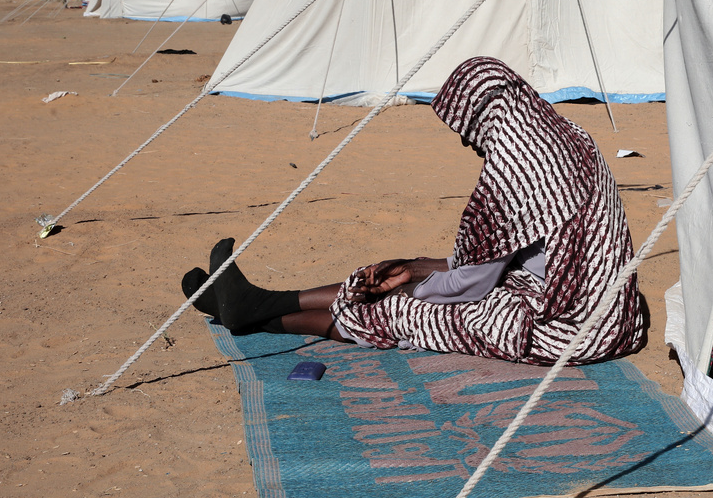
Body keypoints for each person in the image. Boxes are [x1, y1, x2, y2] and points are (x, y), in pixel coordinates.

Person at [182, 57, 646, 366]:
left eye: (466, 128)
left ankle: (252, 313)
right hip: (605, 305)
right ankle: (250, 303)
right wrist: (415, 266)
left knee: (400, 311)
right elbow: (519, 253)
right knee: (402, 274)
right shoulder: (569, 138)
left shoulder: (517, 167)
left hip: (574, 328)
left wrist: (412, 286)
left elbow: (468, 283)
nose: (467, 141)